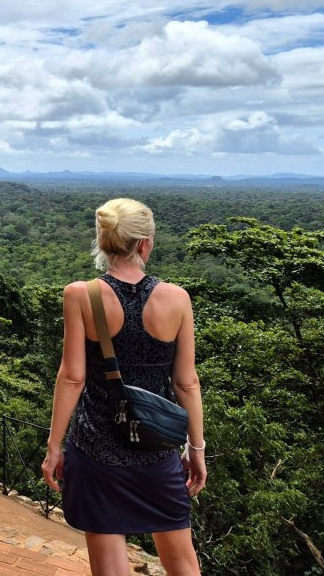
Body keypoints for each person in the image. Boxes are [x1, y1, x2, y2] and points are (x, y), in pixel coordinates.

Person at [41, 198, 206, 576]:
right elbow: (186, 382)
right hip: (157, 452)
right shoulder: (177, 299)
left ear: (102, 241)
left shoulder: (80, 295)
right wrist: (195, 448)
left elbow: (72, 377)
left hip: (96, 449)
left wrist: (54, 447)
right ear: (145, 243)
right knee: (182, 562)